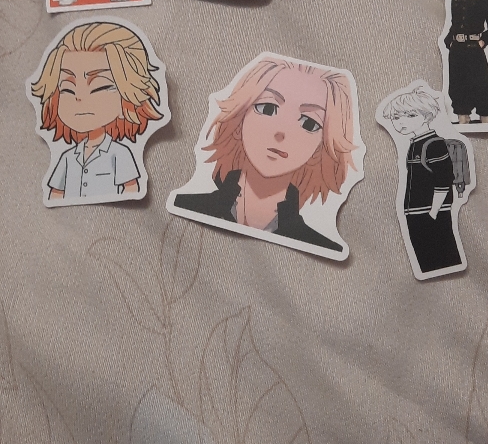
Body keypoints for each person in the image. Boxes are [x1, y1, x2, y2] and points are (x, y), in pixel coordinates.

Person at [172, 57, 359, 254]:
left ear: (321, 148)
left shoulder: (320, 247)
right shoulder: (186, 206)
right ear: (239, 119)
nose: (281, 132)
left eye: (309, 123)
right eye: (267, 108)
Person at [31, 22, 163, 203]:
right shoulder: (67, 157)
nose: (79, 97)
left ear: (127, 96)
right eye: (67, 88)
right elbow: (56, 193)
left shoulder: (120, 153)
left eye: (99, 86)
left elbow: (131, 190)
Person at [383, 89, 464, 275]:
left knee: (442, 257)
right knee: (425, 259)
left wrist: (432, 212)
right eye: (396, 117)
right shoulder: (415, 143)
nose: (401, 122)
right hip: (415, 213)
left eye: (411, 115)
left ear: (427, 115)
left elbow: (444, 180)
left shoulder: (433, 144)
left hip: (429, 213)